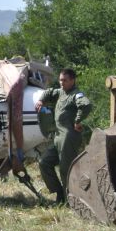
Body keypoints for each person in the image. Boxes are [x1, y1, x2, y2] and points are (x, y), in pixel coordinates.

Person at [35, 68, 92, 204]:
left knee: (66, 169)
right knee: (44, 163)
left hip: (69, 137)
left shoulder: (76, 94)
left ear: (72, 80)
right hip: (58, 136)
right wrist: (41, 100)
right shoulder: (60, 92)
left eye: (65, 80)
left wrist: (78, 121)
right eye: (60, 80)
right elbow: (49, 92)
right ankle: (59, 192)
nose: (61, 83)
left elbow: (86, 105)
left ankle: (69, 201)